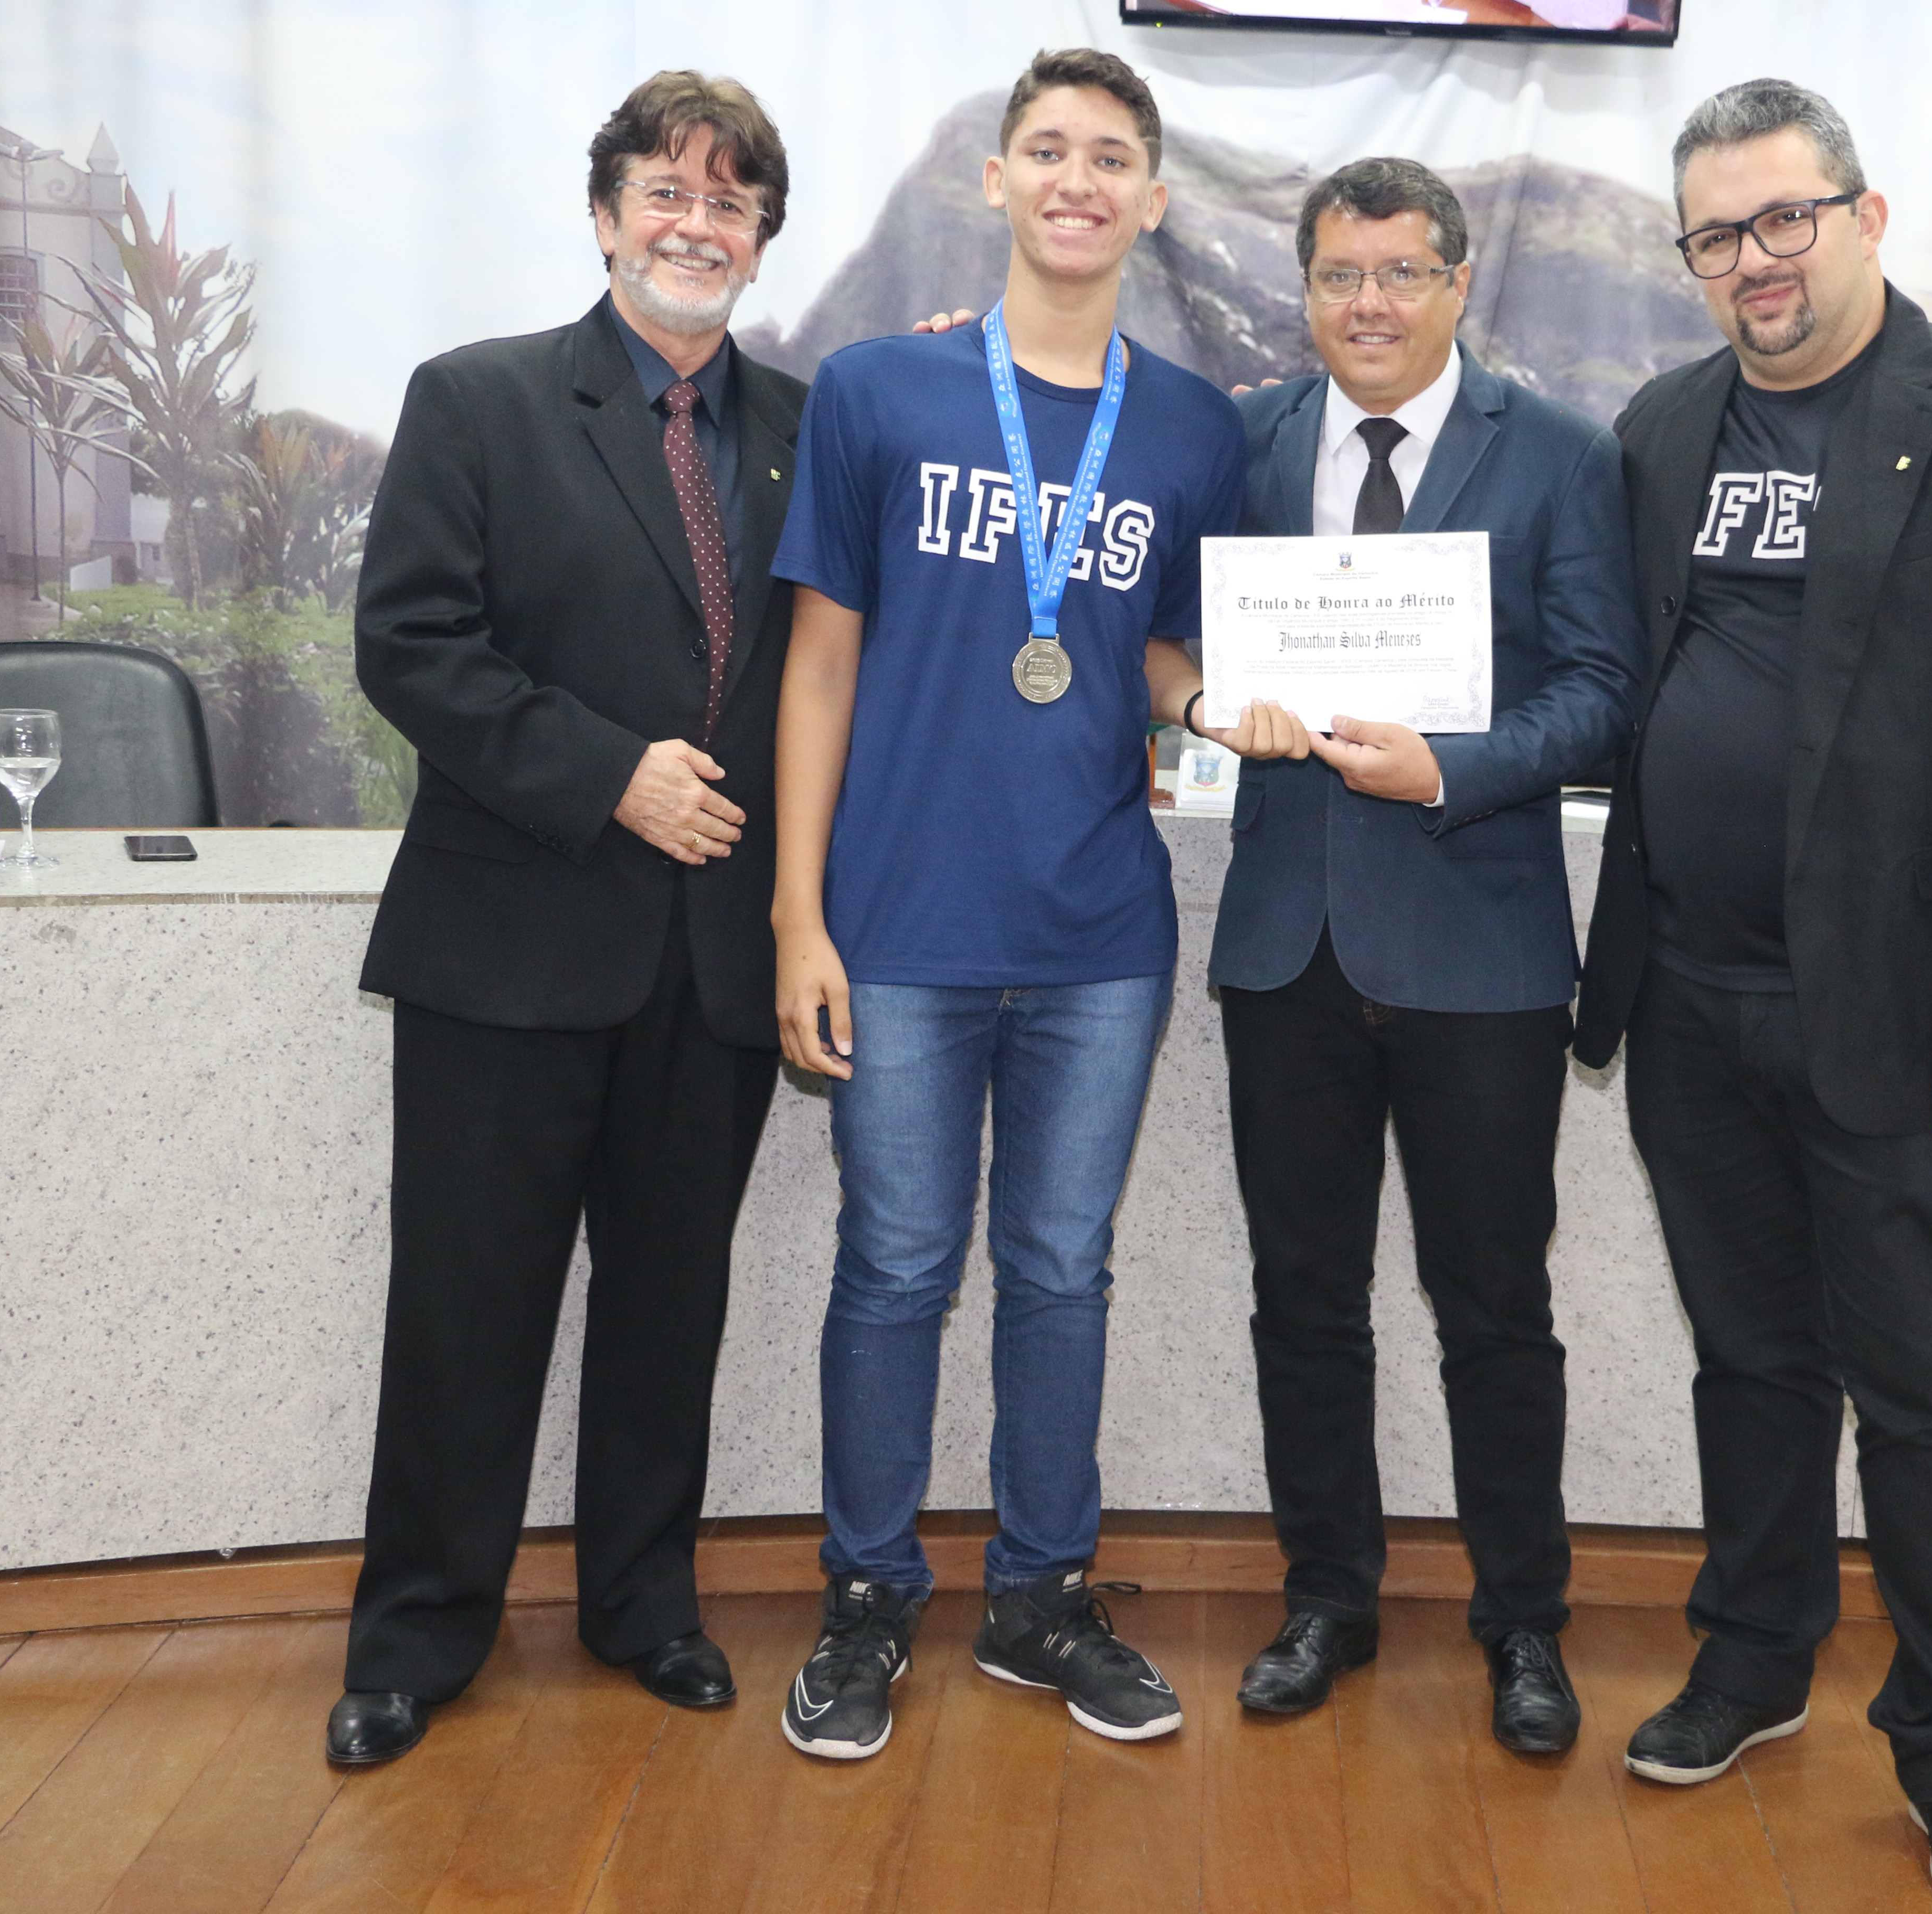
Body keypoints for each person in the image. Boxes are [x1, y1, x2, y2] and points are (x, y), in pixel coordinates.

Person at [1571, 80, 1932, 1914]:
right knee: (1751, 1361)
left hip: (1908, 1025)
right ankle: (1751, 1663)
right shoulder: (1664, 427)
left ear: (1865, 217)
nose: (1755, 260)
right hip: (1690, 995)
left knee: (1929, 1400)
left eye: (1783, 220)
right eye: (1717, 235)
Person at [767, 46, 1305, 1762]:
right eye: (1049, 150)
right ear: (996, 180)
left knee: (1063, 1272)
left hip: (1098, 937)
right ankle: (867, 1599)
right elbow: (819, 667)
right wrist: (796, 918)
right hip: (898, 927)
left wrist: (1211, 702)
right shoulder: (878, 393)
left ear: (1153, 199)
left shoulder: (1193, 427)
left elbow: (1154, 650)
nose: (1080, 179)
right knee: (894, 1270)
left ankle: (1040, 1598)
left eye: (1113, 156)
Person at [332, 71, 806, 1766]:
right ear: (606, 215)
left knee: (672, 1305)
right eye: (666, 191)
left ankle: (645, 1607)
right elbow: (412, 645)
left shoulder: (812, 430)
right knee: (467, 1308)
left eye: (730, 201)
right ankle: (415, 1639)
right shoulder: (478, 399)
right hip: (510, 944)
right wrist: (614, 776)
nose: (696, 224)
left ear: (763, 240)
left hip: (718, 955)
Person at [1208, 159, 1638, 1752]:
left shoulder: (1563, 453)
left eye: (1401, 273)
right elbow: (1161, 611)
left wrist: (1451, 766)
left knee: (1495, 1307)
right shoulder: (1246, 439)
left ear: (1460, 283)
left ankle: (1525, 1622)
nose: (1369, 304)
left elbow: (1603, 691)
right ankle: (1327, 1597)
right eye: (1339, 275)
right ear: (1305, 290)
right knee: (1304, 1297)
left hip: (1482, 952)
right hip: (1289, 946)